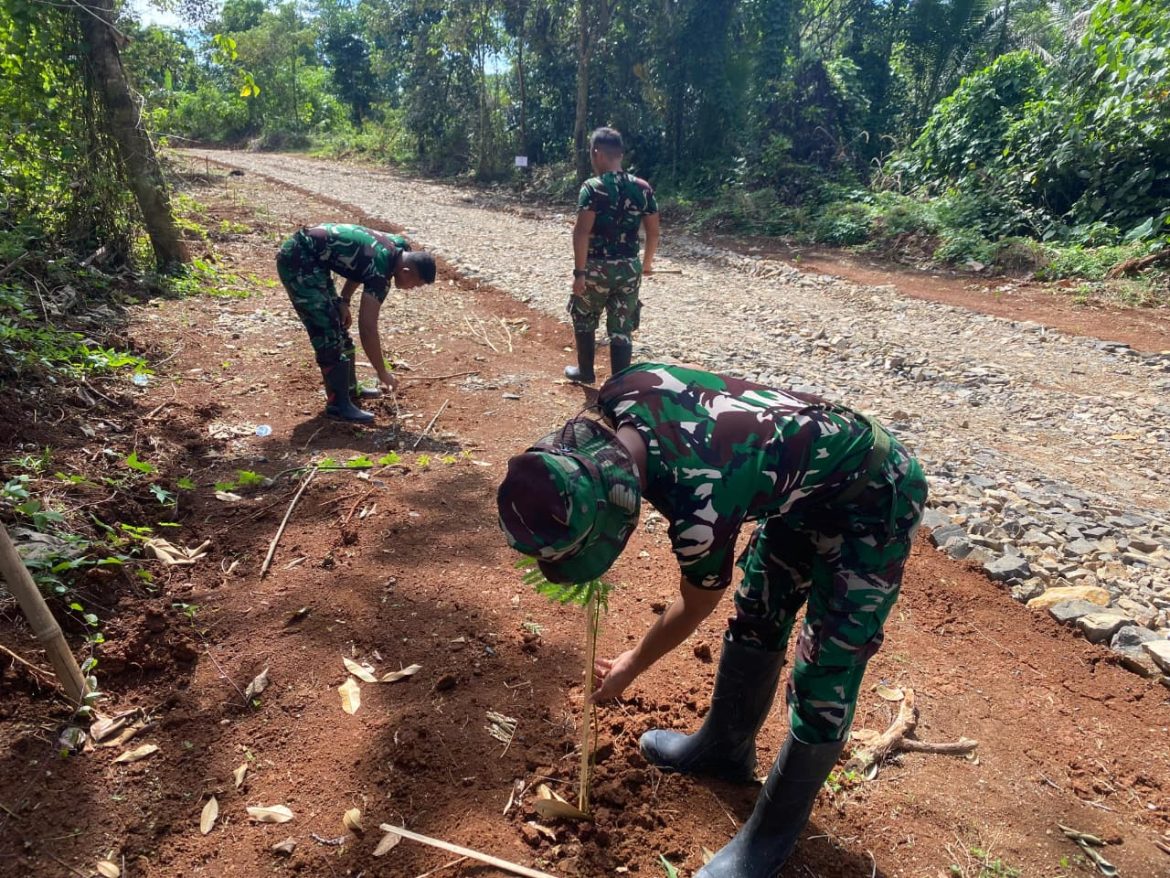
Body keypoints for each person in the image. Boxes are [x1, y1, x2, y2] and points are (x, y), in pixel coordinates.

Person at [497, 363, 926, 877]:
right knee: (758, 611)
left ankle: (770, 836)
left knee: (826, 668)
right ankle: (724, 749)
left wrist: (631, 664)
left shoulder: (700, 506)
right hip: (802, 485)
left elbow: (697, 603)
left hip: (874, 493)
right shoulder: (621, 394)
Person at [276, 223, 436, 423]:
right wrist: (382, 371)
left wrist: (344, 300)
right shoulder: (381, 271)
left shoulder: (399, 247)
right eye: (416, 284)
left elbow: (360, 265)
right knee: (326, 331)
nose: (413, 289)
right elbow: (367, 328)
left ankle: (349, 391)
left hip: (315, 258)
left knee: (339, 325)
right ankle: (337, 405)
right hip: (298, 259)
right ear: (406, 271)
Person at [566, 127, 660, 385]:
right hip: (629, 268)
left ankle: (586, 372)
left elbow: (582, 232)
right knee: (622, 326)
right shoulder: (642, 188)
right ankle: (619, 388)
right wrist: (647, 264)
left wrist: (579, 274)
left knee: (584, 316)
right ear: (619, 154)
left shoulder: (593, 188)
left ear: (597, 153)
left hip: (597, 268)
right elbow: (653, 232)